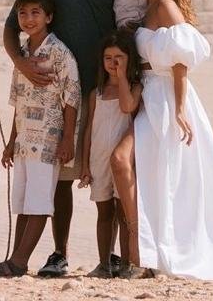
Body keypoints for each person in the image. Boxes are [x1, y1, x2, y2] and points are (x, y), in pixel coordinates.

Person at [111, 0, 213, 281]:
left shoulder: (167, 7)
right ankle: (143, 250)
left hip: (168, 100)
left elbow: (181, 60)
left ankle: (147, 255)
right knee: (138, 169)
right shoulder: (148, 7)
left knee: (158, 175)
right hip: (150, 97)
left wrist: (181, 108)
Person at [3, 0, 118, 277]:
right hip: (58, 93)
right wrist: (20, 62)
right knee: (59, 179)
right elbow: (11, 26)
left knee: (110, 173)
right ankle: (59, 253)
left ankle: (114, 256)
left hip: (104, 89)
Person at [0, 0, 82, 278]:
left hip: (48, 139)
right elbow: (19, 102)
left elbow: (72, 98)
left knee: (38, 202)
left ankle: (18, 264)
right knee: (25, 203)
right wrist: (11, 142)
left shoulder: (60, 54)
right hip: (25, 139)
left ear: (48, 16)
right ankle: (14, 259)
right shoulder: (23, 55)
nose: (28, 19)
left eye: (35, 12)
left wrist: (67, 140)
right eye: (23, 13)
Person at [78, 30, 143, 278]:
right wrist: (85, 164)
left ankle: (127, 262)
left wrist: (123, 78)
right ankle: (104, 264)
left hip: (123, 163)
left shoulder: (135, 88)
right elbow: (88, 130)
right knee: (104, 213)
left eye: (119, 57)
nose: (113, 62)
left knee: (123, 211)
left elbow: (127, 107)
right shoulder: (97, 93)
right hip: (98, 160)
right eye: (108, 57)